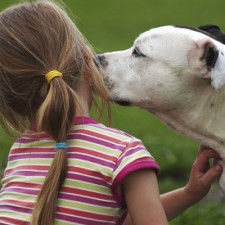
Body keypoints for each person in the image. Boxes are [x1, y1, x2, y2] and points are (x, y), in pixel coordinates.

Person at [0, 1, 222, 225]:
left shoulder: (22, 151)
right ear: (87, 61)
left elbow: (105, 215)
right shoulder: (122, 154)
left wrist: (188, 195)